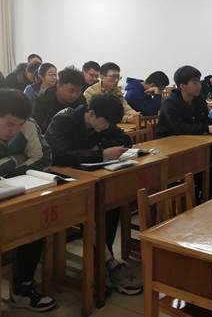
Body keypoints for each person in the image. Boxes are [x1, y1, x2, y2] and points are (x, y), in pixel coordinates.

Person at [0, 89, 55, 315]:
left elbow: (44, 158)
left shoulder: (27, 123)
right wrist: (16, 159)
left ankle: (22, 289)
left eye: (19, 125)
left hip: (16, 193)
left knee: (35, 226)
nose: (14, 131)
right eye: (9, 124)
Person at [45, 94, 142, 295]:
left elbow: (124, 139)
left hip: (92, 177)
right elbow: (58, 155)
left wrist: (104, 148)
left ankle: (105, 259)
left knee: (112, 204)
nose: (107, 127)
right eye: (105, 122)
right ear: (91, 113)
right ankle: (105, 264)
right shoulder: (63, 120)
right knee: (96, 212)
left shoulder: (102, 120)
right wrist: (100, 153)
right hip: (64, 182)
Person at [158, 65, 212, 138]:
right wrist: (207, 128)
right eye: (195, 82)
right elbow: (179, 128)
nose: (199, 85)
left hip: (192, 139)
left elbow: (204, 119)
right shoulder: (169, 103)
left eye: (199, 81)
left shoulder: (199, 99)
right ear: (182, 86)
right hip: (169, 141)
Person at [32, 67, 86, 132]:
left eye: (78, 91)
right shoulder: (42, 102)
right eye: (71, 91)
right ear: (58, 85)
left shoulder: (81, 101)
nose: (74, 95)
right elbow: (39, 128)